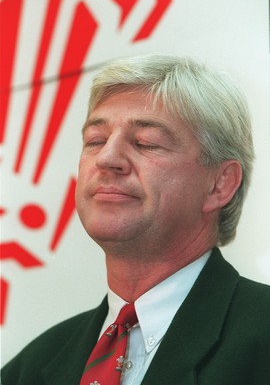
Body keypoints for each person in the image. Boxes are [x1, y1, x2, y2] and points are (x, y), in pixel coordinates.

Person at [1, 55, 270, 385]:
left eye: (146, 143)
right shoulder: (30, 368)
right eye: (96, 140)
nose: (107, 158)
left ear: (220, 184)